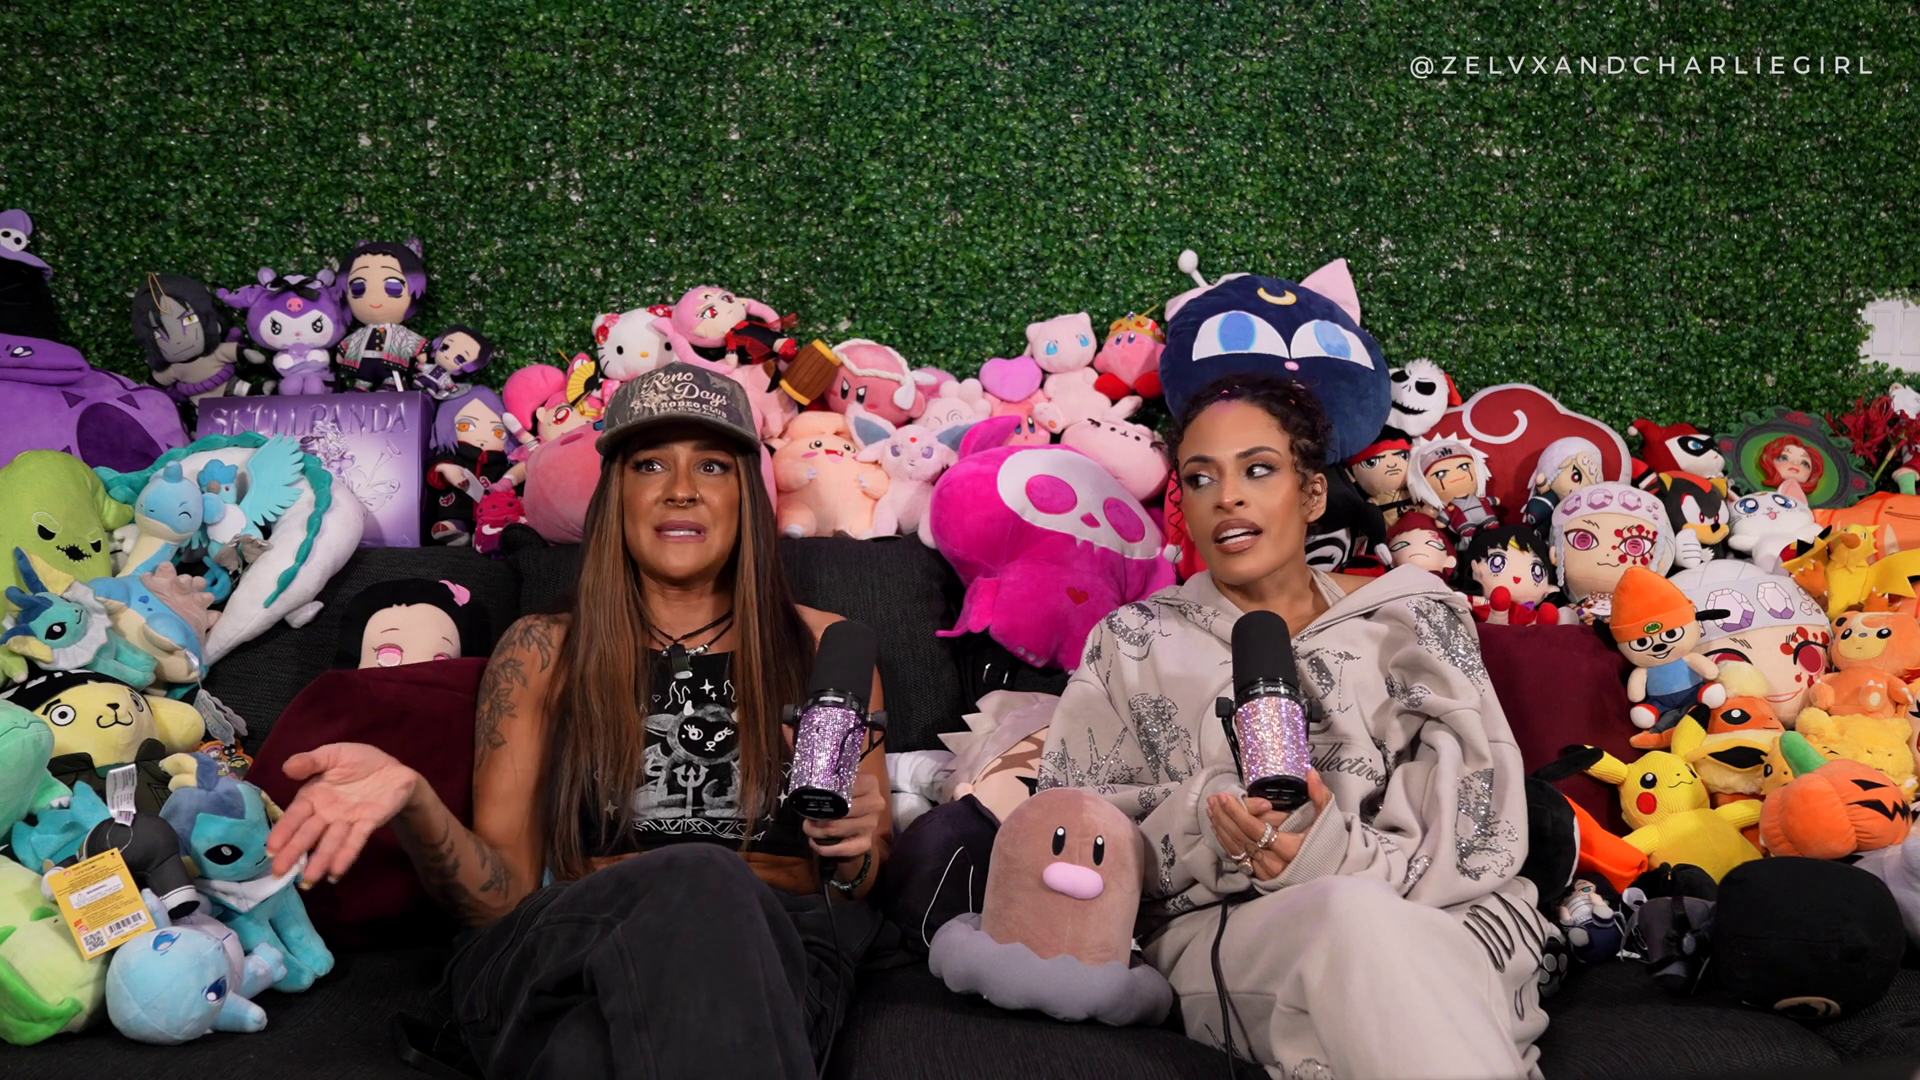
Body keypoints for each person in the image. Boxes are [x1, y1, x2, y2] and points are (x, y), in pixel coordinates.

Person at [263, 363, 892, 1079]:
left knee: (586, 1051)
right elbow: (499, 898)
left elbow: (860, 884)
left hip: (776, 954)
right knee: (698, 877)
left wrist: (855, 849)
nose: (681, 488)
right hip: (571, 944)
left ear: (747, 494)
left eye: (713, 466)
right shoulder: (543, 650)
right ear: (615, 493)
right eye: (649, 464)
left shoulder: (827, 646)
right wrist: (416, 801)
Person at [1039, 375, 1553, 1080]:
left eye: (1258, 469)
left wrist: (1325, 854)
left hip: (1437, 916)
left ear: (1312, 493)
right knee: (1351, 919)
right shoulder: (1131, 642)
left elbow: (1478, 828)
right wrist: (1212, 818)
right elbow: (1072, 835)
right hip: (1235, 938)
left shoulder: (1414, 617)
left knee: (1373, 933)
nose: (1227, 497)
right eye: (1200, 478)